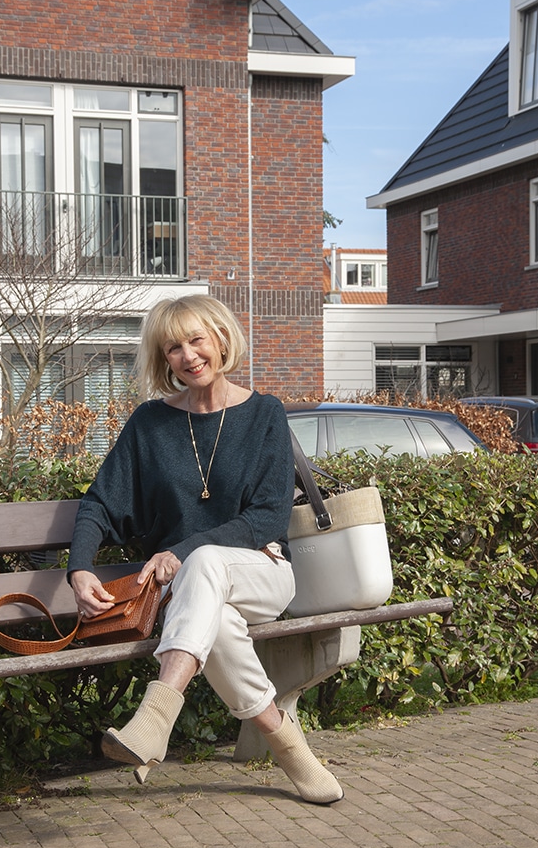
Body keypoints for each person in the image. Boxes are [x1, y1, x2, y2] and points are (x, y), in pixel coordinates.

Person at [67, 294, 343, 804]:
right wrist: (79, 569)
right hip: (192, 594)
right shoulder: (150, 424)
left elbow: (265, 518)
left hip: (262, 569)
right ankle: (292, 753)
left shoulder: (263, 414)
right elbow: (100, 504)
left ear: (220, 339)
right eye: (173, 347)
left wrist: (185, 549)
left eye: (197, 340)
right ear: (164, 359)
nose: (188, 355)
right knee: (216, 623)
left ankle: (155, 717)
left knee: (206, 559)